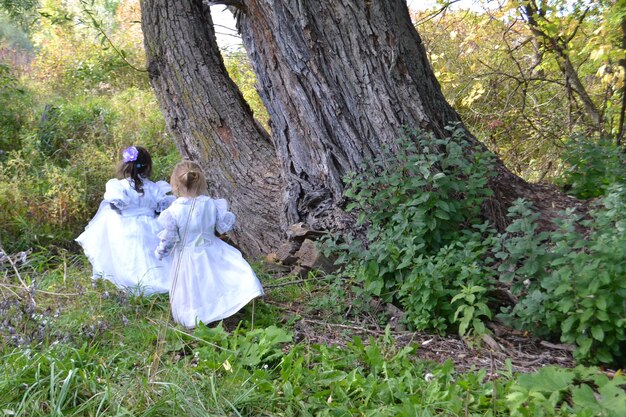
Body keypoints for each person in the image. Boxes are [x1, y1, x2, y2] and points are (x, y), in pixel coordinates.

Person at [155, 160, 264, 328]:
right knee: (215, 279)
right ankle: (224, 307)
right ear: (201, 180)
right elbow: (222, 227)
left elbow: (169, 239)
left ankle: (201, 315)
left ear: (175, 184)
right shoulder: (212, 204)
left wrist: (161, 251)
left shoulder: (172, 212)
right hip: (212, 249)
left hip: (187, 255)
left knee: (194, 286)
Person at [76, 146, 174, 295]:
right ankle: (156, 280)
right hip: (150, 224)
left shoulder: (118, 186)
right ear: (147, 166)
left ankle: (133, 280)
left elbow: (115, 207)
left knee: (131, 254)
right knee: (150, 254)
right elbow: (161, 208)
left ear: (125, 165)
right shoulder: (154, 188)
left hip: (126, 226)